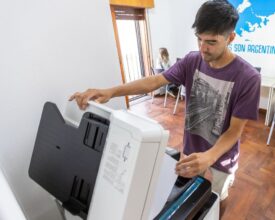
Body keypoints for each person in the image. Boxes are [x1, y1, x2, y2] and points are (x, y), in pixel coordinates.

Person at [69, 0, 261, 205]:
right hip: (191, 148)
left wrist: (210, 156)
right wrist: (110, 91)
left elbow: (234, 131)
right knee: (188, 200)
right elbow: (154, 81)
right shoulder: (192, 60)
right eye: (199, 39)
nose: (203, 48)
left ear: (230, 37)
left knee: (215, 201)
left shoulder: (248, 78)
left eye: (211, 42)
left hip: (221, 158)